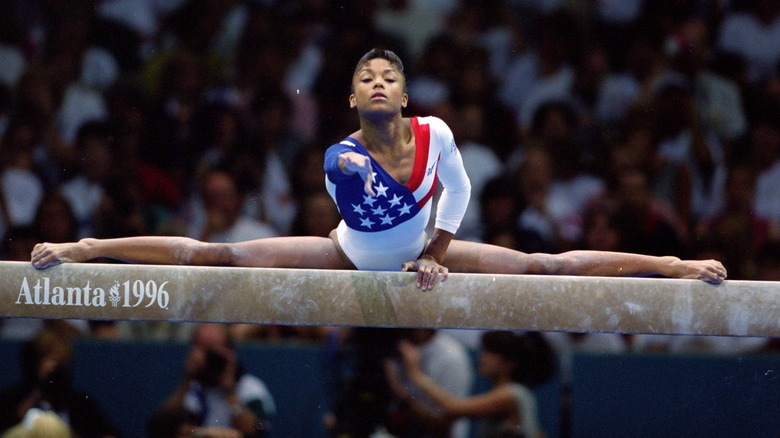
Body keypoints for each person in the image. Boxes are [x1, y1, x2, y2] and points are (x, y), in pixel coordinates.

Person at [30, 48, 727, 290]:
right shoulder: (342, 157)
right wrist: (410, 252)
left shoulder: (438, 132)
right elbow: (370, 219)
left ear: (404, 89)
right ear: (354, 96)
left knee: (548, 269)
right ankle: (87, 247)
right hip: (348, 254)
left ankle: (667, 263)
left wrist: (434, 254)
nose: (380, 83)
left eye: (390, 75)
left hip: (427, 254)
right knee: (220, 255)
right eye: (368, 78)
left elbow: (458, 191)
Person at [386, 331, 556, 438]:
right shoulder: (511, 393)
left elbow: (452, 408)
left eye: (490, 353)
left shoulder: (511, 394)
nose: (482, 357)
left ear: (508, 364)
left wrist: (416, 374)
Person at [158, 323, 275, 438]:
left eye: (213, 350)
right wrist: (188, 376)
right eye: (202, 349)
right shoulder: (194, 390)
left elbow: (255, 430)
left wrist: (230, 390)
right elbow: (164, 428)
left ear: (230, 352)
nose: (208, 357)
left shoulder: (250, 388)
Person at [0, 330, 120, 437]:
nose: (56, 365)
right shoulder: (13, 398)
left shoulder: (79, 402)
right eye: (50, 358)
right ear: (35, 361)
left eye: (62, 359)